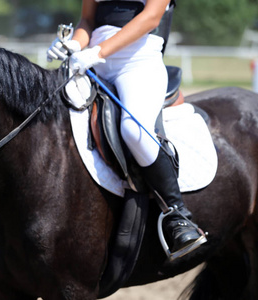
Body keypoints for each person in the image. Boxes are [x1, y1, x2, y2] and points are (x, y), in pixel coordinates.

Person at [47, 0, 207, 259]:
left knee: (134, 130)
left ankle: (178, 214)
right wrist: (74, 43)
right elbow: (88, 20)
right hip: (93, 65)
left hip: (137, 64)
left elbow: (151, 17)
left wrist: (96, 51)